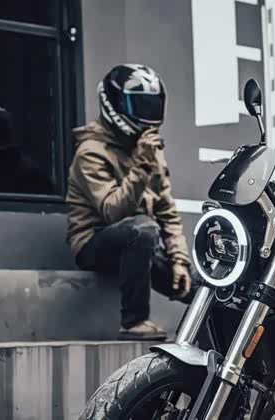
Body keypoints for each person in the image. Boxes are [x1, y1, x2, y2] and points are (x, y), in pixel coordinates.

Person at [66, 64, 195, 341]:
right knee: (143, 229)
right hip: (94, 242)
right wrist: (142, 165)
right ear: (114, 106)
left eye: (152, 106)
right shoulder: (90, 153)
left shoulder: (148, 150)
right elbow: (112, 211)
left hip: (140, 242)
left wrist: (179, 260)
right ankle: (134, 322)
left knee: (203, 288)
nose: (148, 116)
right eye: (141, 106)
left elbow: (167, 211)